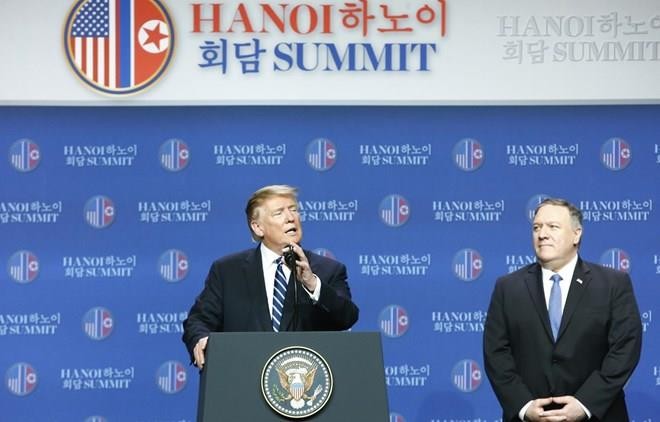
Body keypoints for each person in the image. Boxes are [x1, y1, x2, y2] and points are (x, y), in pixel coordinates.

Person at [483, 198, 642, 422]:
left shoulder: (612, 284)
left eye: (553, 227)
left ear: (576, 234)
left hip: (597, 416)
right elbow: (496, 353)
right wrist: (524, 406)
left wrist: (585, 403)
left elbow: (625, 349)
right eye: (536, 227)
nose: (542, 234)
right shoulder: (508, 287)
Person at [182, 184, 359, 369]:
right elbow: (198, 321)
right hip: (243, 378)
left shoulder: (327, 270)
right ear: (258, 227)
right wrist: (201, 339)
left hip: (306, 381)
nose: (291, 218)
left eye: (294, 210)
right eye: (279, 213)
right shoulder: (227, 271)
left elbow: (347, 317)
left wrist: (313, 284)